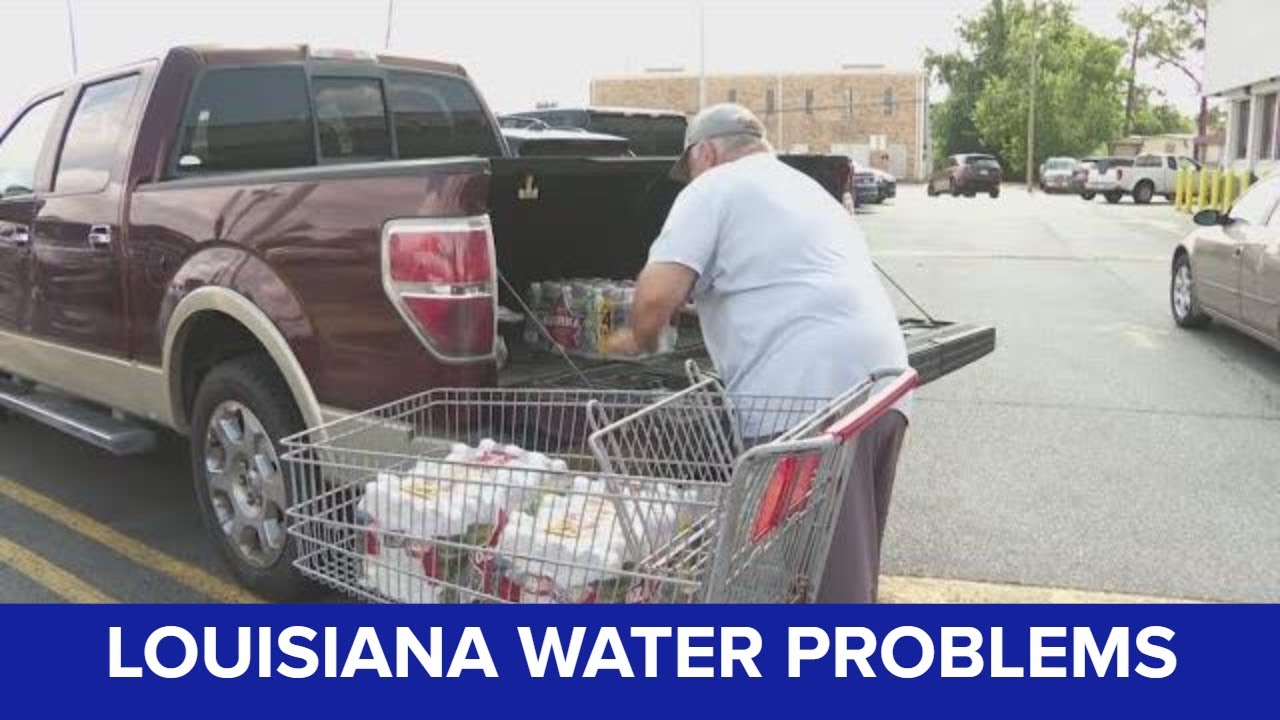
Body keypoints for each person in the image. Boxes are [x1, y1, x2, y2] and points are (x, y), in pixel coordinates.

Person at [601, 103, 910, 603]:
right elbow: (776, 280)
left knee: (817, 587)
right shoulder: (806, 190)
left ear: (706, 152)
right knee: (838, 570)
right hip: (884, 390)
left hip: (810, 404)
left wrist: (635, 338)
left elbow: (656, 297)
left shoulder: (714, 186)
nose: (689, 180)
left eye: (690, 169)